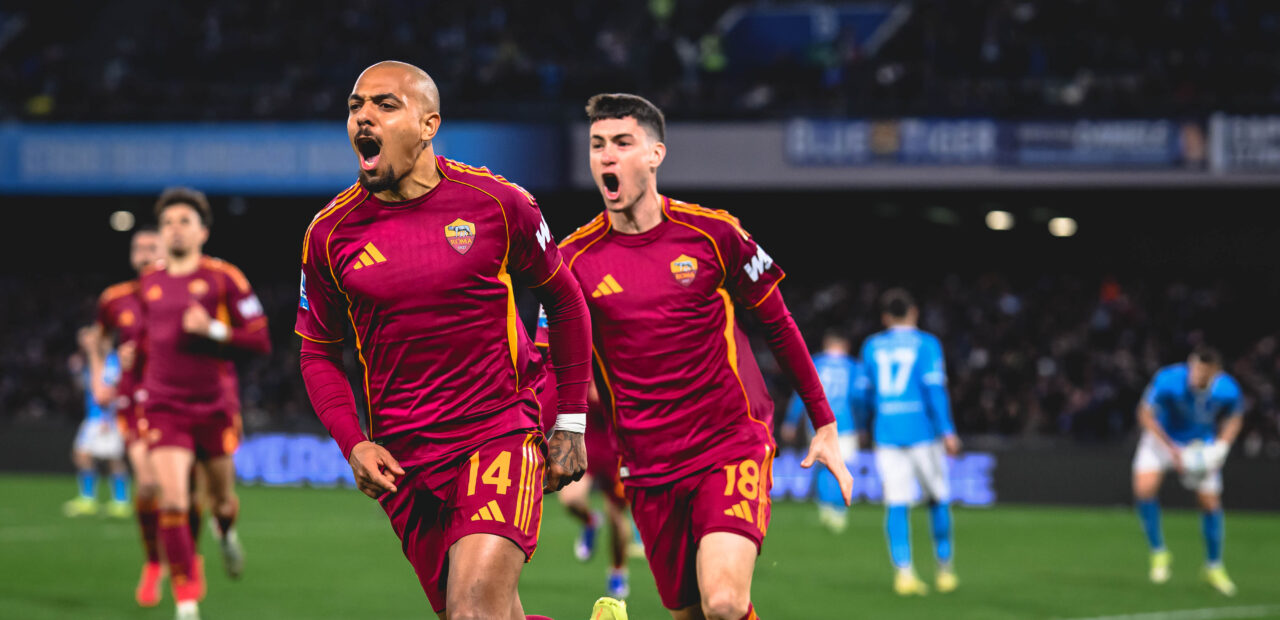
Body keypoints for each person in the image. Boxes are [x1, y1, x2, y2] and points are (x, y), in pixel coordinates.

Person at [296, 60, 591, 620]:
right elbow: (317, 351)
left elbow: (566, 301)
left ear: (429, 125)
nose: (364, 117)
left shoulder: (498, 203)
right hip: (403, 461)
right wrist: (353, 443)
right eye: (356, 106)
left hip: (498, 430)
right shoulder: (329, 234)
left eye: (385, 105)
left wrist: (571, 424)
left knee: (472, 611)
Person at [561, 93, 853, 620]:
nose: (607, 156)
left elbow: (778, 323)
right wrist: (546, 435)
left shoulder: (713, 234)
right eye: (597, 144)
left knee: (723, 602)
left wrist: (824, 422)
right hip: (648, 469)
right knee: (693, 614)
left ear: (655, 154)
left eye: (622, 143)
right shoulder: (573, 261)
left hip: (729, 445)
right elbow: (548, 363)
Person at [140, 187, 271, 620]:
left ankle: (226, 533)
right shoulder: (149, 282)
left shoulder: (224, 277)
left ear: (203, 232)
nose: (175, 229)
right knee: (173, 502)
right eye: (168, 223)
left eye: (184, 221)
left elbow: (260, 340)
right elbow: (145, 341)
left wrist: (213, 329)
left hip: (214, 406)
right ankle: (187, 603)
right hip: (164, 406)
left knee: (221, 501)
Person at [85, 225, 198, 607]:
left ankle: (188, 555)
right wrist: (101, 373)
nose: (145, 253)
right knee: (148, 485)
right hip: (136, 404)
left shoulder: (186, 293)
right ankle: (154, 562)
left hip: (182, 400)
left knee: (188, 490)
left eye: (153, 246)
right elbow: (99, 341)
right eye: (139, 247)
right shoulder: (115, 299)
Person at [858, 288, 959, 596]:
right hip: (923, 433)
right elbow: (934, 390)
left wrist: (865, 425)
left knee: (897, 503)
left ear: (885, 317)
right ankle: (944, 569)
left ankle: (903, 574)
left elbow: (862, 394)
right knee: (937, 498)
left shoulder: (872, 345)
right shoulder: (927, 344)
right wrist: (948, 430)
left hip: (887, 433)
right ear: (914, 312)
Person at [534, 306, 632, 599]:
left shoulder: (620, 351)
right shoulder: (581, 348)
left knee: (617, 515)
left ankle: (617, 571)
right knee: (571, 499)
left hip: (617, 445)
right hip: (588, 440)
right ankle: (590, 521)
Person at [1132, 345, 1243, 596]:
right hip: (1163, 440)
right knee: (1144, 488)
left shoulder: (1228, 389)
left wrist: (1222, 447)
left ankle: (1213, 566)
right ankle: (1158, 552)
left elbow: (1235, 418)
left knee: (1210, 503)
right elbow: (1145, 414)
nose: (1197, 375)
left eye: (1204, 372)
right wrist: (1171, 449)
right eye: (1195, 369)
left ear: (1215, 372)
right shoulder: (1169, 379)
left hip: (1200, 447)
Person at [780, 330, 865, 533]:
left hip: (818, 423)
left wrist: (791, 421)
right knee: (842, 466)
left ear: (827, 343)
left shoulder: (815, 362)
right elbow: (859, 397)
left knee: (822, 465)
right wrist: (862, 424)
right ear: (845, 346)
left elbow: (801, 394)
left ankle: (825, 506)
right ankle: (839, 511)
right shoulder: (853, 366)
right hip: (845, 423)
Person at [63, 326, 130, 519]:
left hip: (107, 418)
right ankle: (89, 498)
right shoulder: (89, 361)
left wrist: (108, 418)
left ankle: (120, 501)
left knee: (113, 459)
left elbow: (106, 393)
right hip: (93, 416)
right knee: (82, 455)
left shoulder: (113, 361)